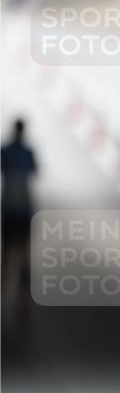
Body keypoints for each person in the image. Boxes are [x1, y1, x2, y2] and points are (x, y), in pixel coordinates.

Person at [1, 118, 38, 318]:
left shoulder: (5, 151)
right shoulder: (28, 152)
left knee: (6, 255)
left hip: (8, 210)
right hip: (23, 210)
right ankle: (24, 300)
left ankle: (4, 290)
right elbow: (34, 171)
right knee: (24, 257)